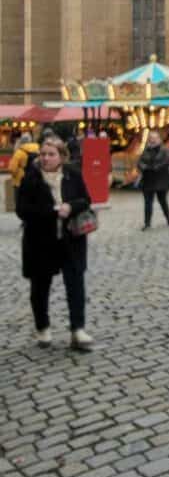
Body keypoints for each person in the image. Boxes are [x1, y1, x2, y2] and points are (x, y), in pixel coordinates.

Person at [16, 137, 94, 351]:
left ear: (61, 156)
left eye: (51, 154)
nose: (46, 158)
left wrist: (70, 206)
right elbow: (21, 210)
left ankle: (77, 330)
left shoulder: (73, 174)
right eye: (43, 154)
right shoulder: (31, 178)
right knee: (40, 287)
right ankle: (43, 327)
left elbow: (86, 200)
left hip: (71, 239)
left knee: (75, 283)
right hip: (40, 241)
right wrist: (51, 211)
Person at [137, 129, 169, 230]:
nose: (152, 140)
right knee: (148, 202)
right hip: (148, 179)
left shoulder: (164, 150)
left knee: (162, 201)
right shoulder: (146, 149)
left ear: (159, 139)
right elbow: (140, 162)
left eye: (155, 138)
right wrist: (144, 167)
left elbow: (167, 161)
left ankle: (168, 218)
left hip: (160, 179)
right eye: (151, 138)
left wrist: (156, 167)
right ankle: (147, 223)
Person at [8, 132, 40, 210]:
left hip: (20, 180)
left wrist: (14, 176)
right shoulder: (39, 148)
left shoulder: (19, 152)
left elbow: (12, 168)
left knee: (21, 201)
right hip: (37, 178)